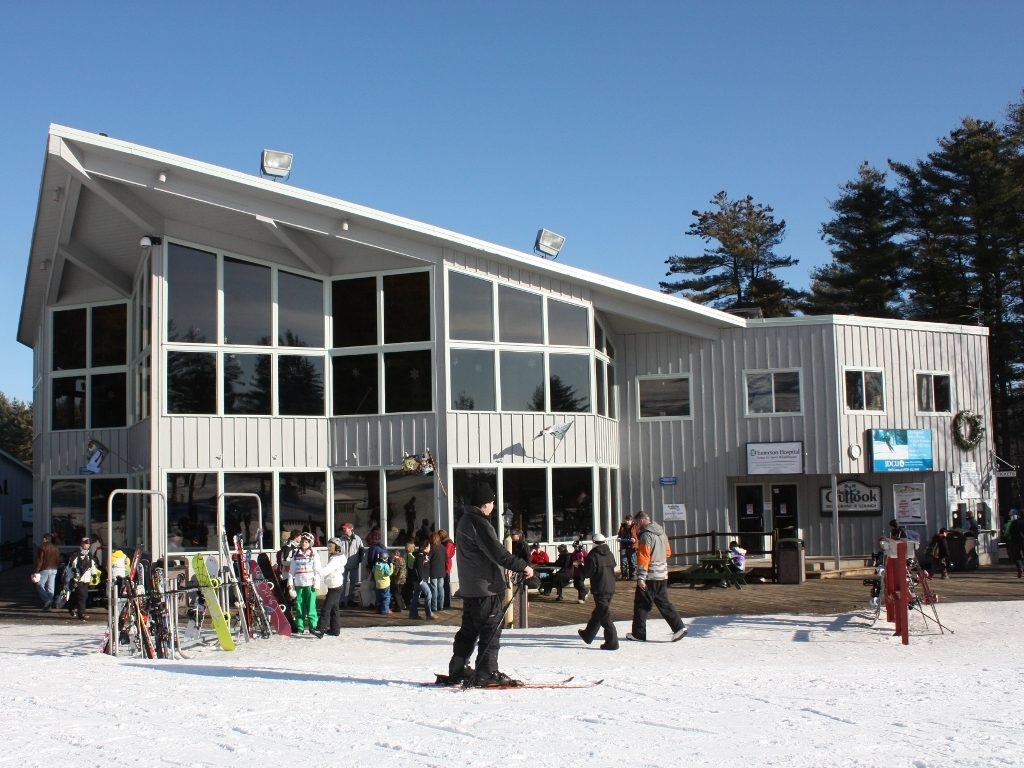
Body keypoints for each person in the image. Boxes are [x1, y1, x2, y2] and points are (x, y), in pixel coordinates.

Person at [447, 482, 533, 687]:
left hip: (471, 587)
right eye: (492, 502)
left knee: (469, 630)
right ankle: (486, 671)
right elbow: (498, 552)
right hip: (485, 588)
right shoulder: (478, 522)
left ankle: (457, 667)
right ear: (484, 504)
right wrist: (523, 566)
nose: (493, 506)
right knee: (491, 629)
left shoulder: (465, 520)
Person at [627, 511, 687, 642]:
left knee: (641, 605)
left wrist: (641, 577)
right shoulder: (662, 533)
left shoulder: (645, 536)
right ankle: (679, 627)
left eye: (636, 524)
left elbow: (644, 558)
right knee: (663, 602)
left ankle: (638, 634)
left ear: (641, 521)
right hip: (662, 573)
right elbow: (668, 552)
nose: (635, 527)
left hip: (650, 575)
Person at [577, 533, 618, 650]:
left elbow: (587, 573)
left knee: (604, 615)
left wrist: (579, 566)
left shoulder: (593, 555)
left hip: (600, 588)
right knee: (599, 612)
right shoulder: (609, 553)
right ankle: (588, 634)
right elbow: (613, 565)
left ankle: (612, 642)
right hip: (610, 587)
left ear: (593, 542)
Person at [287, 532, 322, 636]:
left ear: (310, 543)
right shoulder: (295, 553)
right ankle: (300, 627)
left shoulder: (314, 553)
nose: (303, 543)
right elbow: (291, 570)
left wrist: (317, 583)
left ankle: (313, 627)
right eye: (302, 541)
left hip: (310, 584)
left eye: (306, 542)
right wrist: (290, 583)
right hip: (299, 584)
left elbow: (317, 570)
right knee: (299, 606)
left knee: (311, 606)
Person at [316, 537, 345, 636]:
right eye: (328, 545)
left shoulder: (336, 559)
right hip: (334, 586)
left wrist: (317, 573)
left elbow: (327, 569)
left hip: (335, 587)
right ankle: (335, 630)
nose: (328, 548)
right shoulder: (335, 557)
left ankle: (320, 629)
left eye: (331, 546)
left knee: (326, 608)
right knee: (334, 609)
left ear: (337, 547)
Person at [67, 536, 98, 621]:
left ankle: (71, 607)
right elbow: (71, 567)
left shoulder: (89, 554)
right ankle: (81, 614)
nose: (87, 545)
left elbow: (92, 566)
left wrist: (94, 575)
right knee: (83, 596)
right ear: (82, 544)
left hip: (86, 578)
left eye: (88, 544)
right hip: (78, 579)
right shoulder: (76, 554)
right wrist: (72, 577)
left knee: (81, 596)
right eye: (86, 544)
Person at [336, 522, 365, 608]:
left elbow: (361, 550)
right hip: (343, 565)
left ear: (350, 528)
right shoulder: (341, 539)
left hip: (354, 564)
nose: (344, 529)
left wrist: (360, 559)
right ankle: (341, 600)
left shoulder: (358, 539)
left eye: (345, 528)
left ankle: (350, 600)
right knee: (342, 583)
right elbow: (337, 551)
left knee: (353, 583)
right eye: (343, 528)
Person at [408, 537, 436, 620]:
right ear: (425, 547)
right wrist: (420, 580)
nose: (430, 548)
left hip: (421, 579)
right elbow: (418, 569)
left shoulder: (423, 555)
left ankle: (413, 614)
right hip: (420, 580)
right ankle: (429, 614)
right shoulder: (420, 556)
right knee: (429, 594)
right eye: (429, 546)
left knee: (416, 596)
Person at [33, 534, 60, 610]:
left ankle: (47, 600)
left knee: (39, 585)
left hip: (45, 568)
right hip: (54, 569)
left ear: (45, 539)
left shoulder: (42, 546)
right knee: (51, 587)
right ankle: (49, 604)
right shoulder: (55, 547)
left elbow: (40, 560)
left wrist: (36, 571)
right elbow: (58, 559)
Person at [429, 531, 447, 613]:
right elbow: (446, 558)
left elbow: (428, 559)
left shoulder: (432, 548)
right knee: (441, 588)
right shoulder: (443, 547)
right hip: (441, 570)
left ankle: (434, 606)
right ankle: (441, 606)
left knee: (434, 588)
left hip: (433, 570)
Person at [372, 551, 393, 615]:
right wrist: (391, 567)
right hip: (385, 584)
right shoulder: (385, 565)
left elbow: (373, 571)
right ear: (385, 558)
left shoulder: (376, 564)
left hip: (378, 584)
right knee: (386, 597)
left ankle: (378, 610)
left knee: (379, 598)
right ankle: (385, 610)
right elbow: (388, 573)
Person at [439, 529, 456, 609]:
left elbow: (447, 555)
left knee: (446, 584)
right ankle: (445, 601)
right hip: (445, 564)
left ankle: (447, 602)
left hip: (446, 565)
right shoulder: (447, 542)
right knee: (445, 584)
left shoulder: (448, 543)